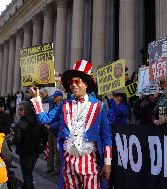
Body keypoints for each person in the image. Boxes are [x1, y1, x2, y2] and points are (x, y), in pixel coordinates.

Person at [30, 60, 112, 189]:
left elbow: (106, 137)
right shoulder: (64, 104)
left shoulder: (98, 106)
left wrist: (107, 163)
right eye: (71, 82)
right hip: (68, 161)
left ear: (86, 83)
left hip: (89, 161)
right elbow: (44, 119)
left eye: (77, 81)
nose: (73, 85)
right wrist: (37, 99)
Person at [13, 101, 41, 189]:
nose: (17, 112)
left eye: (18, 110)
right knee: (28, 173)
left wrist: (12, 139)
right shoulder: (38, 120)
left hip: (25, 152)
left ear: (23, 111)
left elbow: (17, 140)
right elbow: (44, 135)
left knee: (27, 176)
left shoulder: (20, 123)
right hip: (35, 152)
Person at [45, 90, 63, 176]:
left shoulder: (62, 107)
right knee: (50, 150)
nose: (53, 98)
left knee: (57, 151)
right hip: (51, 131)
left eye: (55, 97)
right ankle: (50, 167)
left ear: (59, 98)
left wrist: (51, 126)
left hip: (57, 132)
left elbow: (61, 121)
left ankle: (57, 169)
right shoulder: (53, 105)